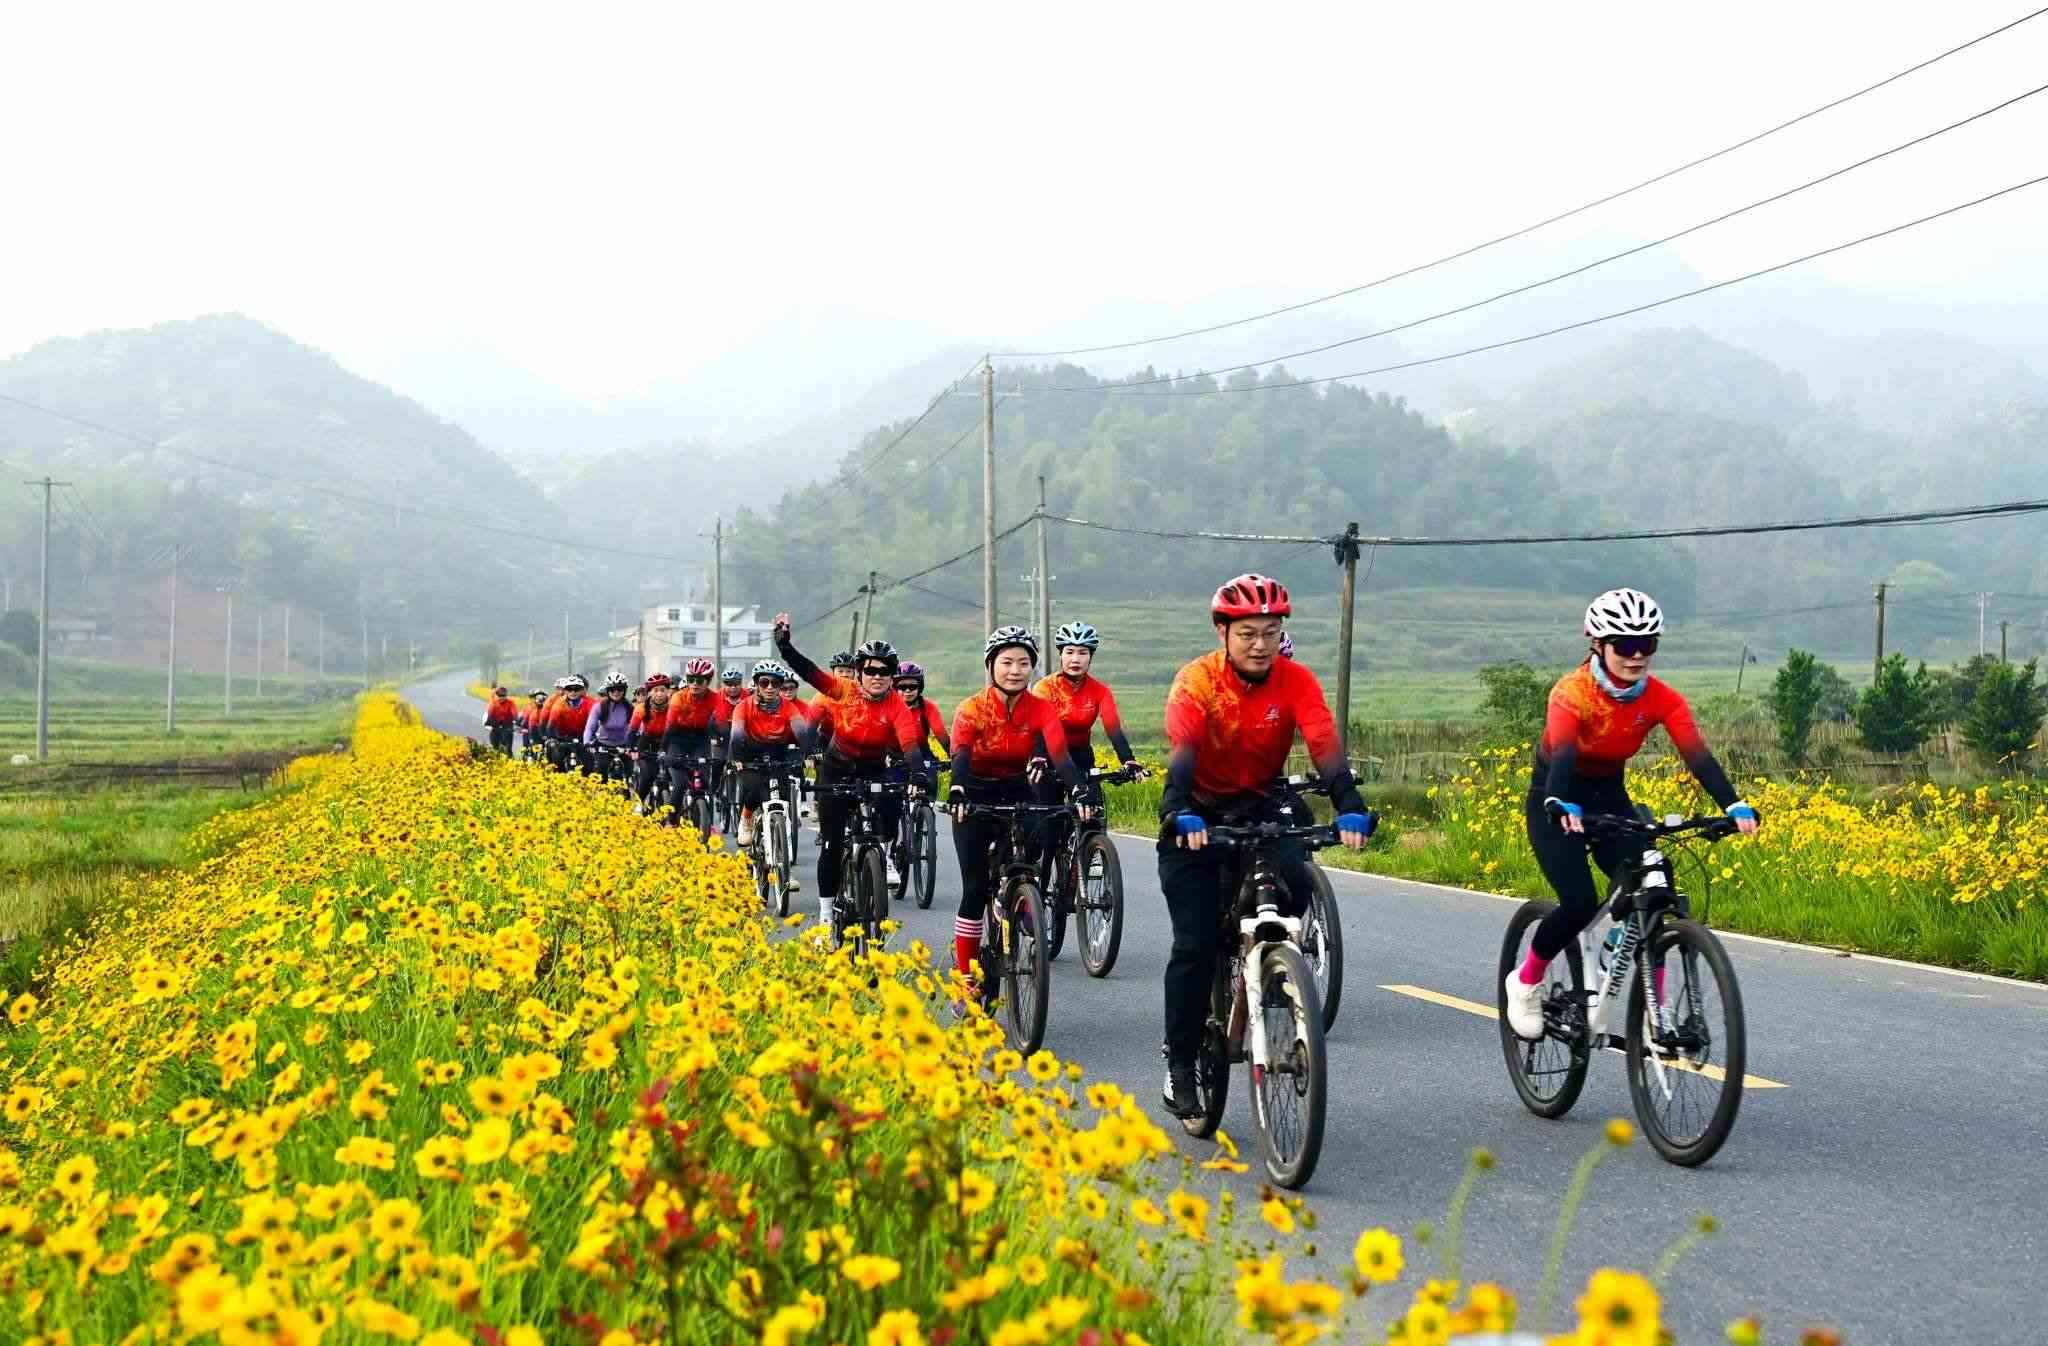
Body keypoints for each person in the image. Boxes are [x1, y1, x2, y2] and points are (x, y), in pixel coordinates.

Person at [1157, 573, 1375, 1118]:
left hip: (1261, 801)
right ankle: (1179, 1062)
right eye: (1247, 633)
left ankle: (1275, 976)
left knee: (1296, 882)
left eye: (1270, 633)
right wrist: (1179, 809)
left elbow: (1323, 742)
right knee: (1195, 943)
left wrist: (1348, 803)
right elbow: (1183, 752)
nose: (1260, 645)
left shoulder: (1296, 680)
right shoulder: (1197, 682)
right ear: (1223, 633)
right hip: (1197, 810)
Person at [1502, 588, 1759, 1039]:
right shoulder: (1571, 694)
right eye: (1624, 644)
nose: (1637, 655)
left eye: (1647, 644)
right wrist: (1558, 801)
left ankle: (1654, 1007)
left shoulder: (1662, 698)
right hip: (1555, 796)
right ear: (1598, 644)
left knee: (1654, 881)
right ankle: (1525, 982)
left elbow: (1697, 756)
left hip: (1609, 797)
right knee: (1579, 902)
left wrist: (1733, 804)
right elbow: (1562, 756)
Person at [947, 626, 1085, 983]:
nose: (1015, 670)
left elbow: (1060, 756)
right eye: (1006, 662)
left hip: (1016, 788)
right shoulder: (971, 708)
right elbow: (961, 754)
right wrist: (957, 789)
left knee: (1039, 836)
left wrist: (1080, 791)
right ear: (991, 665)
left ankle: (1014, 894)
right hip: (973, 792)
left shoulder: (1041, 709)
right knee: (974, 888)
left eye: (1024, 663)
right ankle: (965, 978)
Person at [773, 618, 925, 929]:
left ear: (892, 675)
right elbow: (810, 672)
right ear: (859, 672)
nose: (877, 677)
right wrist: (785, 647)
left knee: (892, 804)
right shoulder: (842, 689)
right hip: (835, 770)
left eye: (885, 671)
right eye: (871, 670)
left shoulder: (897, 706)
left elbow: (909, 743)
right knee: (831, 845)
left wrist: (919, 774)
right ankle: (826, 918)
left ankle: (881, 855)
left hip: (873, 769)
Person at [1031, 622, 1146, 868]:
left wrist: (1129, 760)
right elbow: (1038, 728)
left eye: (1082, 652)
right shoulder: (1045, 688)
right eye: (1070, 652)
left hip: (1081, 756)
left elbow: (1113, 729)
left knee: (1092, 815)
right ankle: (1041, 874)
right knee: (1047, 831)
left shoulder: (1100, 691)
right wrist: (1038, 758)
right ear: (1060, 654)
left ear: (1090, 656)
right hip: (1047, 756)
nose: (1076, 659)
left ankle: (1090, 855)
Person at [729, 660, 816, 892]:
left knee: (783, 806)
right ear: (756, 684)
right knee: (753, 789)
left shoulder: (788, 707)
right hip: (749, 752)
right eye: (764, 682)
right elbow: (736, 736)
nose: (770, 687)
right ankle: (747, 818)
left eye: (775, 683)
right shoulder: (743, 707)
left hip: (778, 752)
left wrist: (811, 752)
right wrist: (738, 758)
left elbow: (801, 731)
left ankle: (785, 868)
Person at [627, 674, 674, 811]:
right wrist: (631, 748)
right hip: (647, 743)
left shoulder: (674, 707)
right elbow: (632, 731)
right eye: (655, 690)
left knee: (673, 775)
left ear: (668, 691)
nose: (659, 694)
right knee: (647, 776)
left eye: (662, 690)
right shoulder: (641, 708)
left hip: (668, 742)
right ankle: (638, 805)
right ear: (649, 693)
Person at [582, 673, 636, 776]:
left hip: (624, 746)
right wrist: (587, 742)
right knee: (601, 774)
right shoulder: (600, 707)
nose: (616, 692)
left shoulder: (629, 707)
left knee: (629, 774)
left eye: (619, 689)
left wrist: (636, 745)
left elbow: (638, 727)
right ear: (607, 690)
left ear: (624, 690)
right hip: (603, 746)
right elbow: (590, 727)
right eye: (612, 689)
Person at [544, 676, 596, 771]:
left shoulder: (590, 703)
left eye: (576, 689)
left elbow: (595, 722)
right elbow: (551, 724)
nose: (573, 692)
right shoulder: (559, 704)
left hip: (583, 737)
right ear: (565, 691)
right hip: (563, 737)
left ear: (581, 690)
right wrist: (552, 737)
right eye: (569, 689)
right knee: (556, 757)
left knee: (589, 764)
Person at [483, 686, 520, 756]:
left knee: (507, 749)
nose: (501, 698)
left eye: (503, 696)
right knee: (494, 747)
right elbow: (490, 713)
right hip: (496, 726)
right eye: (500, 696)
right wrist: (488, 722)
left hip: (507, 727)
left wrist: (517, 722)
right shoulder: (493, 703)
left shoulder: (510, 703)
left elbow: (515, 713)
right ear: (496, 695)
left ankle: (509, 757)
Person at [518, 689, 549, 757]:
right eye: (536, 697)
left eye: (542, 698)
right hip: (531, 733)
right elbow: (524, 719)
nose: (540, 700)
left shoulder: (548, 709)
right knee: (528, 749)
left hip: (544, 733)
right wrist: (521, 727)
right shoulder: (529, 708)